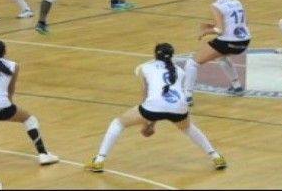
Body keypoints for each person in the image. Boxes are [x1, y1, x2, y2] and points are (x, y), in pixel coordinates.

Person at [85, 42, 228, 173]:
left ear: (155, 55)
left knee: (118, 123)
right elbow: (165, 101)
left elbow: (148, 98)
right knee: (188, 129)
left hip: (153, 107)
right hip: (179, 107)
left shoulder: (145, 68)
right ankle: (215, 156)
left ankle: (99, 160)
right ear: (172, 56)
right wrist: (151, 124)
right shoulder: (179, 71)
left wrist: (147, 123)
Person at [183, 0, 250, 106]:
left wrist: (205, 31)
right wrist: (212, 26)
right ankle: (237, 87)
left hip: (228, 42)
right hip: (244, 41)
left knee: (192, 63)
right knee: (222, 57)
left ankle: (187, 96)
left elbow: (219, 30)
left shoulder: (216, 5)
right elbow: (238, 23)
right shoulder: (237, 2)